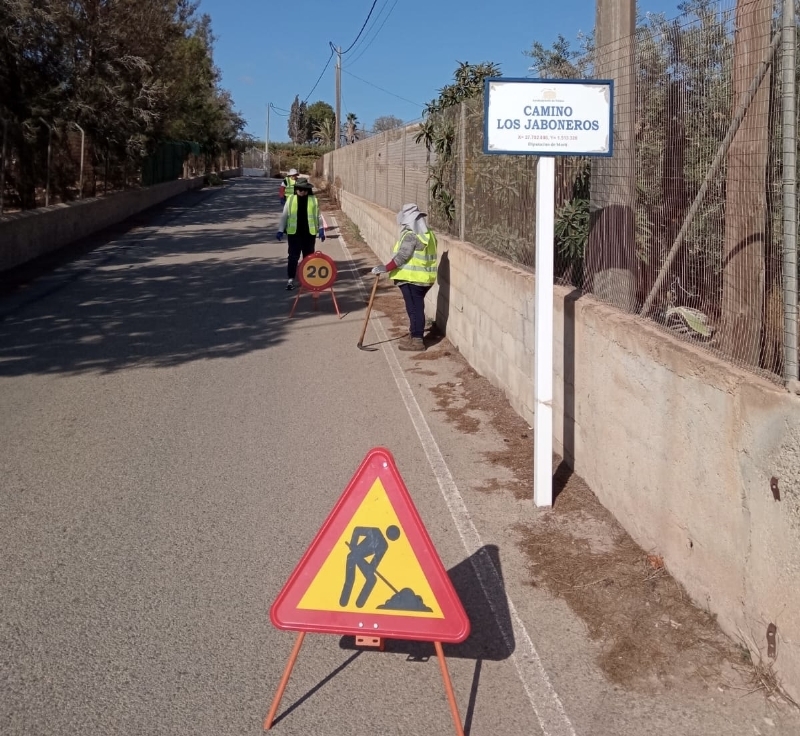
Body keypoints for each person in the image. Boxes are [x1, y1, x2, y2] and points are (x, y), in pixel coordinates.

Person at [371, 204, 437, 351]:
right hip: (425, 279)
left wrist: (384, 268)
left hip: (412, 279)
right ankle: (414, 335)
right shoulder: (429, 235)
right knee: (416, 308)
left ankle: (417, 340)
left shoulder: (411, 236)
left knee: (414, 309)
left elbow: (402, 257)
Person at [276, 179, 325, 290]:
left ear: (308, 190)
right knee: (293, 257)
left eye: (305, 190)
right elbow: (284, 216)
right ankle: (291, 279)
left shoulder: (313, 200)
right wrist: (280, 230)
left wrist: (321, 229)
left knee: (308, 258)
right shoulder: (291, 199)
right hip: (294, 234)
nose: (302, 192)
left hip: (309, 234)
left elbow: (318, 216)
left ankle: (307, 280)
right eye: (300, 189)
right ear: (296, 189)